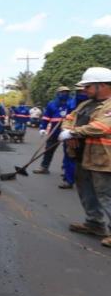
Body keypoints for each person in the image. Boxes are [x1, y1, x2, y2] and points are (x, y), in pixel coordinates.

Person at [59, 67, 111, 249]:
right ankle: (94, 223)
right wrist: (69, 132)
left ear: (102, 85)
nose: (84, 90)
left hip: (103, 159)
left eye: (88, 86)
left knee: (106, 195)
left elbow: (101, 127)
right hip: (83, 156)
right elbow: (69, 118)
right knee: (86, 191)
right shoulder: (85, 104)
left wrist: (74, 132)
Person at [33, 87, 71, 177]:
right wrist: (43, 128)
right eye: (62, 92)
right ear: (57, 93)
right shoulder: (52, 104)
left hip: (68, 130)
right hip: (55, 130)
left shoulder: (72, 103)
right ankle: (44, 167)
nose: (64, 94)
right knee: (49, 149)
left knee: (69, 152)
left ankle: (67, 171)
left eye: (66, 92)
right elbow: (46, 117)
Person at [62, 88, 90, 188]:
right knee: (69, 157)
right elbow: (68, 119)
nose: (82, 93)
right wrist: (67, 132)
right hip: (72, 136)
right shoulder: (72, 104)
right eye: (79, 91)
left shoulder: (97, 105)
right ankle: (69, 179)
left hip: (87, 137)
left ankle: (82, 181)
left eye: (83, 91)